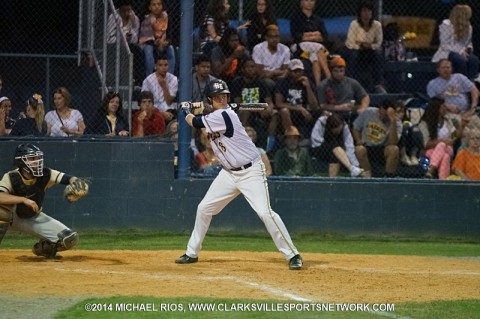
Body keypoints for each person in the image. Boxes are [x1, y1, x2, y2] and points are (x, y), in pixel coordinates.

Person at [176, 79, 303, 270]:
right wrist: (200, 109)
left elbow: (194, 122)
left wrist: (185, 110)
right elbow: (203, 121)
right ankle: (192, 253)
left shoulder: (226, 115)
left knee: (264, 212)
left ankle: (293, 255)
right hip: (229, 174)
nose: (222, 99)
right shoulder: (216, 116)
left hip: (251, 172)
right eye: (218, 97)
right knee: (204, 208)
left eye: (224, 96)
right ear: (211, 99)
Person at [0, 144, 80, 259]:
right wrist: (23, 199)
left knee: (69, 239)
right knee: (1, 211)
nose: (37, 162)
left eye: (38, 158)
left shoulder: (46, 174)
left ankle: (44, 249)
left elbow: (70, 178)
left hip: (32, 217)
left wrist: (78, 184)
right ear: (21, 162)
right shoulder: (11, 177)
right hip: (11, 216)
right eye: (32, 159)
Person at [230, 57, 277, 150]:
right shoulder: (237, 82)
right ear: (243, 69)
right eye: (248, 67)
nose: (250, 69)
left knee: (275, 113)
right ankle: (242, 143)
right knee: (245, 112)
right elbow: (239, 104)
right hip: (243, 111)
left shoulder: (261, 82)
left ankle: (269, 145)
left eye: (252, 66)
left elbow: (270, 103)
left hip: (260, 111)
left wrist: (269, 109)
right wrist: (258, 108)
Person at [343, 1, 386, 93]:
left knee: (378, 53)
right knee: (353, 54)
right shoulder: (354, 24)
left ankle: (378, 84)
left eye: (369, 11)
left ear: (372, 13)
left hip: (370, 50)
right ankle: (350, 83)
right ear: (360, 13)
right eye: (364, 11)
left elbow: (379, 43)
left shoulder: (377, 25)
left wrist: (369, 45)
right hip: (356, 50)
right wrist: (362, 45)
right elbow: (350, 43)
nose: (366, 14)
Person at [352, 99, 403, 177]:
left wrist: (392, 121)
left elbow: (393, 142)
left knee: (394, 149)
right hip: (367, 146)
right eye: (381, 113)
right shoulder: (369, 112)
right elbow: (356, 128)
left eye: (385, 115)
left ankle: (388, 177)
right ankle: (368, 175)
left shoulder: (397, 123)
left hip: (383, 148)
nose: (382, 117)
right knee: (359, 149)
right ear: (379, 109)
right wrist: (358, 140)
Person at [418, 97, 465, 179]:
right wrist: (443, 141)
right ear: (436, 109)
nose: (445, 108)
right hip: (430, 151)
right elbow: (426, 144)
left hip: (448, 148)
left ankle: (430, 171)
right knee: (445, 156)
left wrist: (461, 127)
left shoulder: (448, 122)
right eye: (443, 107)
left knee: (443, 146)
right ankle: (443, 181)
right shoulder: (424, 124)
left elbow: (453, 138)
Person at [432, 4, 479, 81]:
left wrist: (469, 49)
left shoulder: (469, 27)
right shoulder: (446, 25)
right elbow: (444, 44)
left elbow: (469, 42)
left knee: (474, 60)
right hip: (448, 52)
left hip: (463, 52)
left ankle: (471, 83)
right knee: (460, 60)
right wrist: (460, 51)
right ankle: (462, 83)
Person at [316, 56, 370, 125]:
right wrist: (340, 107)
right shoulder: (323, 85)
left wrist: (363, 108)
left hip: (351, 114)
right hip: (333, 114)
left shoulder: (352, 82)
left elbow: (365, 97)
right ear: (331, 71)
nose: (339, 74)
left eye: (341, 71)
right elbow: (322, 105)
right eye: (336, 71)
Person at [274, 59, 318, 139]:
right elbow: (279, 103)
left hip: (303, 114)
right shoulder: (282, 82)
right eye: (295, 71)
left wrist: (308, 87)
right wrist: (299, 108)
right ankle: (291, 137)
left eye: (299, 71)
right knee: (284, 111)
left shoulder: (307, 82)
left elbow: (314, 106)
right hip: (289, 112)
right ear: (289, 71)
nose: (298, 73)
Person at [311, 112, 365, 177]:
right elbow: (315, 138)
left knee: (335, 154)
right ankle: (351, 168)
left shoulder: (345, 126)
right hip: (319, 147)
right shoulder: (321, 122)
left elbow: (349, 145)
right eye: (335, 129)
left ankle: (332, 182)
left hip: (336, 151)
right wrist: (327, 144)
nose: (338, 131)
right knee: (332, 144)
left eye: (340, 128)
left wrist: (355, 164)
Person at [290, 0, 331, 85]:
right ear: (301, 2)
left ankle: (318, 85)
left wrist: (307, 35)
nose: (309, 2)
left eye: (312, 0)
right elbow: (297, 36)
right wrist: (315, 35)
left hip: (314, 47)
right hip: (301, 46)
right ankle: (329, 76)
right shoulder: (296, 18)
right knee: (319, 49)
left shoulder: (318, 19)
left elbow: (324, 37)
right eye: (306, 0)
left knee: (315, 58)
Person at [106, 0, 144, 84]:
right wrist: (122, 39)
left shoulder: (134, 18)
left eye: (128, 10)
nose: (126, 13)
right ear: (119, 10)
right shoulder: (113, 17)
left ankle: (138, 80)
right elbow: (108, 39)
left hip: (130, 45)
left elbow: (135, 38)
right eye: (124, 11)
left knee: (137, 50)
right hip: (115, 45)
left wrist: (130, 37)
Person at [139, 0, 176, 76]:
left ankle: (169, 77)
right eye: (154, 5)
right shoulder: (146, 19)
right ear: (149, 7)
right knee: (148, 49)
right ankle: (149, 77)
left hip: (161, 43)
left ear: (162, 6)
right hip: (147, 43)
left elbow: (170, 36)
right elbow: (145, 38)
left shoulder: (166, 17)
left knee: (170, 48)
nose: (157, 7)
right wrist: (156, 42)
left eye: (159, 4)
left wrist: (166, 42)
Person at [251, 24, 290, 93]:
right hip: (263, 78)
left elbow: (285, 71)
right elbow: (259, 72)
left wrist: (270, 73)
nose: (275, 39)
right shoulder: (258, 48)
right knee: (268, 83)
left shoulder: (285, 49)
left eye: (277, 36)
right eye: (271, 37)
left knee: (283, 81)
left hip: (278, 78)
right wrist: (275, 72)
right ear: (266, 37)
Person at [141, 54, 178, 123]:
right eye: (160, 65)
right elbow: (145, 103)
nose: (163, 68)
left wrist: (164, 86)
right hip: (152, 110)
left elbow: (169, 101)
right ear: (155, 66)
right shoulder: (148, 80)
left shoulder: (173, 79)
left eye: (166, 65)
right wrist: (161, 113)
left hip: (168, 109)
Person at [395, 101, 423, 166]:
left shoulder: (406, 122)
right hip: (398, 142)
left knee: (415, 129)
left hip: (408, 142)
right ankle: (403, 155)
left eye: (402, 112)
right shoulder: (392, 121)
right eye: (398, 112)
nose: (401, 114)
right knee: (404, 128)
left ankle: (413, 155)